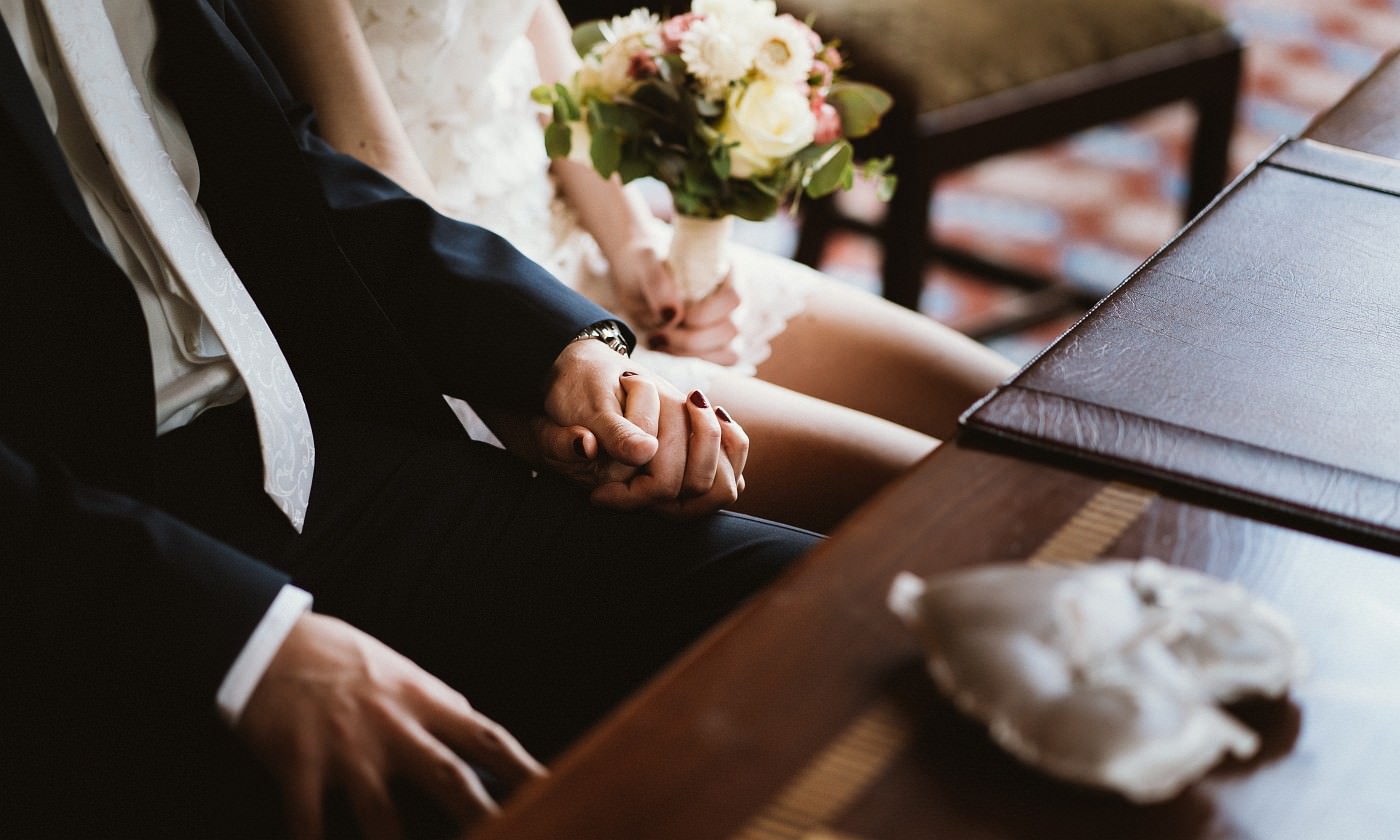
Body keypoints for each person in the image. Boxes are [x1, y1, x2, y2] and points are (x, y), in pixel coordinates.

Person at [0, 1, 818, 838]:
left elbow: (289, 171)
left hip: (304, 438)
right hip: (81, 552)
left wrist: (558, 357)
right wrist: (239, 643)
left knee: (806, 608)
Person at [246, 0, 1019, 533]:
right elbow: (372, 167)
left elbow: (538, 52)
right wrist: (553, 337)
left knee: (1020, 412)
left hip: (573, 232)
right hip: (481, 322)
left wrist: (632, 245)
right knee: (955, 494)